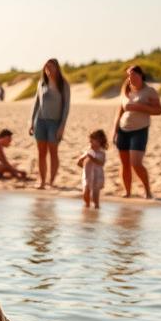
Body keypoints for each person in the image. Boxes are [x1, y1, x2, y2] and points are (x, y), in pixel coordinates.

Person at [111, 64, 161, 199]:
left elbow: (159, 110)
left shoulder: (149, 91)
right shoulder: (126, 91)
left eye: (133, 74)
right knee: (124, 163)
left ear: (140, 75)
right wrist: (114, 130)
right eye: (128, 75)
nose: (130, 78)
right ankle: (127, 192)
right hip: (123, 129)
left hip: (139, 130)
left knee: (136, 163)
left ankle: (147, 190)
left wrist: (138, 106)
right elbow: (120, 111)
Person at [29, 58, 71, 189]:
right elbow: (36, 103)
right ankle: (42, 181)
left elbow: (66, 107)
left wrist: (62, 127)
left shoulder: (63, 84)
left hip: (55, 123)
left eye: (51, 67)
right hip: (40, 121)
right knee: (41, 153)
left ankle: (51, 181)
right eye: (46, 67)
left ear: (57, 68)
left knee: (53, 152)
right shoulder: (41, 83)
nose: (48, 70)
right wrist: (31, 122)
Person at [77, 129, 108, 209]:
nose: (91, 143)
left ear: (100, 142)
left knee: (95, 194)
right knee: (85, 192)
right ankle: (86, 206)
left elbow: (101, 163)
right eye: (90, 142)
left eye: (92, 141)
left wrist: (92, 158)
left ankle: (96, 206)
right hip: (87, 175)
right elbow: (79, 163)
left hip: (97, 176)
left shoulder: (101, 152)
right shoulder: (88, 151)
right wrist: (82, 160)